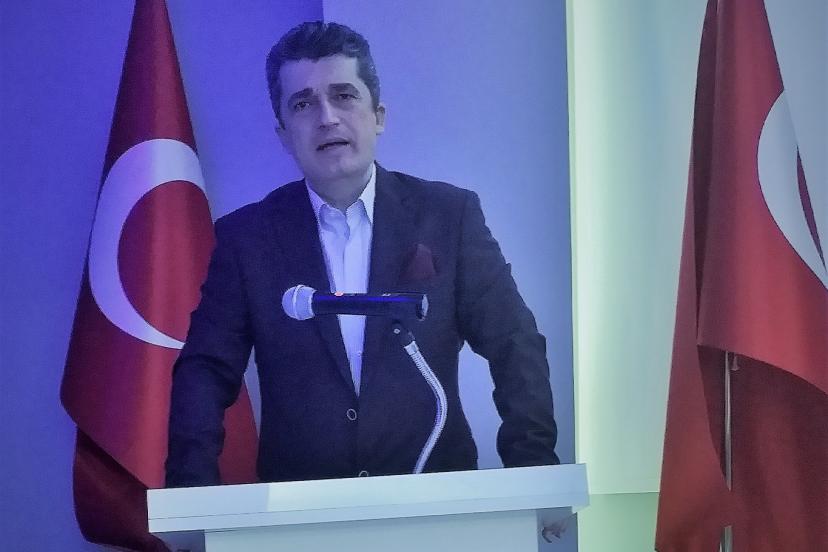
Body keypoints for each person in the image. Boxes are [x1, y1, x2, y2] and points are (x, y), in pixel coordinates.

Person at [166, 21, 558, 487]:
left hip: (438, 499)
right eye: (303, 104)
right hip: (301, 509)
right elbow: (205, 370)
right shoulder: (247, 238)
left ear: (379, 116)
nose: (327, 118)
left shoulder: (449, 217)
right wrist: (191, 494)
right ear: (283, 134)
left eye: (343, 96)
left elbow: (514, 342)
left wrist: (534, 470)